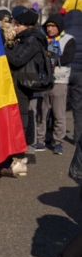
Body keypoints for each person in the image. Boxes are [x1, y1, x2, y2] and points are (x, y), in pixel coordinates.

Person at [2, 6, 49, 177]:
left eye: (17, 25)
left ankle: (18, 161)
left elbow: (17, 59)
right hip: (19, 83)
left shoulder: (32, 40)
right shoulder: (27, 38)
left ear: (26, 25)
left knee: (20, 121)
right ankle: (16, 159)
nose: (15, 28)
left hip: (22, 85)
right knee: (18, 119)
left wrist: (1, 47)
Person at [39, 14, 74, 155]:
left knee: (58, 114)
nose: (50, 29)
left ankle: (58, 142)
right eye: (48, 26)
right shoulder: (42, 39)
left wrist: (50, 53)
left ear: (59, 27)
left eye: (53, 26)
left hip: (59, 81)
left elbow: (66, 58)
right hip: (42, 81)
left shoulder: (69, 40)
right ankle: (39, 140)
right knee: (41, 113)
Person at [64, 9, 82, 142]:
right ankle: (77, 136)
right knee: (78, 105)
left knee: (58, 104)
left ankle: (54, 135)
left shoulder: (64, 34)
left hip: (64, 71)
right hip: (79, 72)